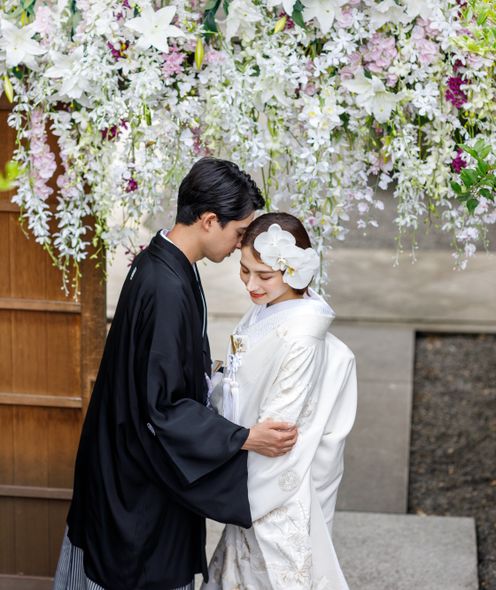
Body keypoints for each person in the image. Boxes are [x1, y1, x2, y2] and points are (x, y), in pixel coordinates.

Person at [53, 159, 298, 590]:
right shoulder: (166, 286)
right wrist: (243, 438)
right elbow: (162, 407)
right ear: (209, 220)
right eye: (240, 231)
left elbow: (158, 368)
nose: (242, 244)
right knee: (138, 567)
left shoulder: (161, 261)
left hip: (118, 449)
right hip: (137, 471)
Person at [202, 212, 357, 590]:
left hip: (274, 482)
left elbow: (277, 429)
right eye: (244, 270)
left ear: (294, 271)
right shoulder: (266, 309)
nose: (251, 284)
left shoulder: (303, 335)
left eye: (264, 275)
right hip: (249, 463)